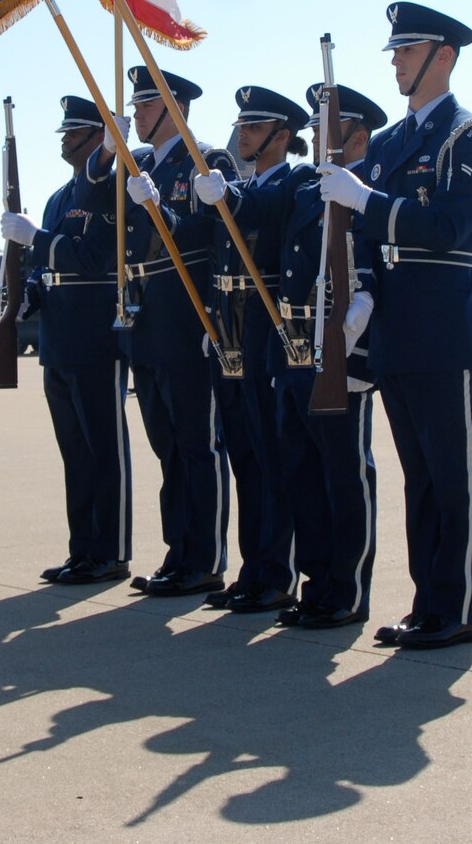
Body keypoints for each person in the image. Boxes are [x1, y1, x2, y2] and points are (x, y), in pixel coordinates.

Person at [319, 2, 472, 651]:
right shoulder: (393, 142)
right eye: (395, 50)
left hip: (443, 321)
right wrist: (359, 297)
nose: (396, 60)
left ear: (442, 55)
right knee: (418, 475)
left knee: (453, 473)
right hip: (395, 323)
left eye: (407, 49)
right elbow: (358, 232)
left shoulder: (468, 135)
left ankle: (459, 606)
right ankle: (429, 603)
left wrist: (365, 200)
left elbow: (450, 225)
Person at [199, 81, 389, 630]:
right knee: (301, 471)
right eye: (313, 124)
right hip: (294, 347)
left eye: (327, 124)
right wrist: (226, 194)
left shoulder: (362, 185)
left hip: (341, 347)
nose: (315, 132)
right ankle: (316, 580)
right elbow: (257, 204)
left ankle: (347, 590)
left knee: (344, 473)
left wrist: (367, 298)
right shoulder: (308, 186)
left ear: (355, 132)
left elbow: (371, 251)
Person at [117, 65, 236, 598]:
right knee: (166, 442)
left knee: (198, 441)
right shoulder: (139, 165)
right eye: (138, 105)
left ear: (176, 109)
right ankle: (177, 550)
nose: (139, 113)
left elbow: (212, 237)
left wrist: (157, 205)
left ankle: (205, 557)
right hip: (148, 315)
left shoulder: (207, 161)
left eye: (146, 105)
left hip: (188, 314)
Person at [3, 95, 132, 586]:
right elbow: (44, 270)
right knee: (74, 452)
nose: (63, 139)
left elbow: (93, 258)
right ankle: (83, 550)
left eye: (72, 132)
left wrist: (34, 237)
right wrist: (27, 298)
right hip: (58, 338)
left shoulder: (106, 193)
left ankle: (112, 551)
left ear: (97, 138)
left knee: (104, 448)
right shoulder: (60, 198)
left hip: (96, 336)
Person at [196, 84, 309, 614]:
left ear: (282, 136)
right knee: (242, 452)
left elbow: (259, 208)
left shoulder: (293, 180)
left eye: (255, 127)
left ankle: (277, 572)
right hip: (230, 325)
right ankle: (251, 568)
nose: (243, 134)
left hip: (265, 325)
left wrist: (228, 196)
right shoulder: (237, 184)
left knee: (270, 452)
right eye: (242, 126)